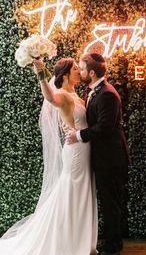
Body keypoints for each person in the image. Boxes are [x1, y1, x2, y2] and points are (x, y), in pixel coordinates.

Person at [0, 57, 98, 255]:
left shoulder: (76, 94)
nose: (79, 71)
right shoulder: (61, 95)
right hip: (76, 153)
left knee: (81, 192)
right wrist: (40, 73)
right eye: (75, 69)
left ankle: (79, 239)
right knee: (72, 193)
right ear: (66, 74)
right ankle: (68, 242)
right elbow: (50, 98)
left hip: (83, 148)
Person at [65, 53, 130, 255]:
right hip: (102, 158)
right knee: (108, 201)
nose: (80, 72)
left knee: (111, 202)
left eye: (82, 69)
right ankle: (113, 241)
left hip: (111, 158)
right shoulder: (93, 91)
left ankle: (113, 246)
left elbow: (105, 127)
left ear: (91, 72)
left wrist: (79, 135)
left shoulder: (108, 94)